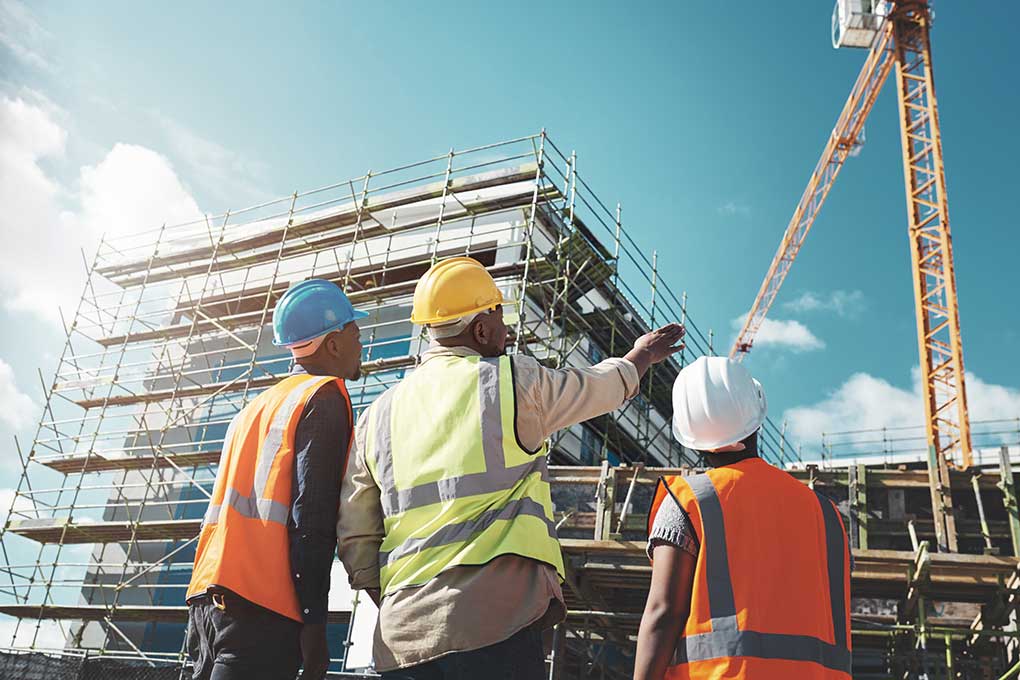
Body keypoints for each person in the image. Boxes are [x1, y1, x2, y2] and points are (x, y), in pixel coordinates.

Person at [337, 256, 685, 679]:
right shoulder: (510, 380)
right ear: (480, 328)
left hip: (403, 637)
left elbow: (356, 534)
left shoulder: (376, 415)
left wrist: (394, 600)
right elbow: (598, 387)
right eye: (501, 317)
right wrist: (640, 356)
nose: (507, 331)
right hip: (495, 625)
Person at [185, 279, 367, 680]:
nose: (361, 342)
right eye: (355, 332)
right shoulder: (324, 396)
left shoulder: (259, 405)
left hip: (209, 595)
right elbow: (311, 516)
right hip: (261, 604)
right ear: (333, 344)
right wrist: (315, 624)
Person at [634, 356, 852, 680]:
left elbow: (663, 613)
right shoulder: (828, 513)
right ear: (757, 420)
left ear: (689, 436)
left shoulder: (688, 500)